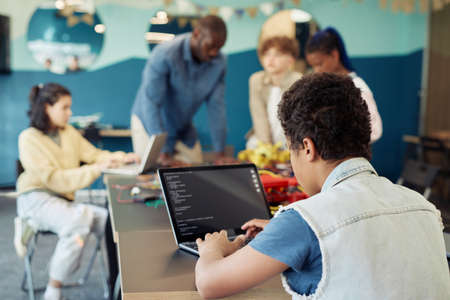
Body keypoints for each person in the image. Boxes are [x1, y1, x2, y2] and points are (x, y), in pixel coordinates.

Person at [194, 73, 450, 299]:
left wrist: (212, 249)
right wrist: (281, 230)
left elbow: (209, 284)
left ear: (307, 148)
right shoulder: (424, 207)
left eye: (289, 149)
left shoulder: (305, 221)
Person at [15, 83, 139, 300]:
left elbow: (94, 155)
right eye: (65, 107)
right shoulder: (28, 138)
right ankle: (54, 289)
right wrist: (94, 169)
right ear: (46, 107)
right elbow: (54, 179)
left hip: (63, 202)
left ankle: (118, 284)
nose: (70, 113)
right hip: (36, 198)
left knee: (112, 220)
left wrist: (121, 157)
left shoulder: (69, 132)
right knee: (77, 222)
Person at [131, 15, 228, 165]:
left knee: (196, 172)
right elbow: (151, 103)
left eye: (219, 48)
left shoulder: (219, 62)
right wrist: (162, 151)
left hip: (182, 126)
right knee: (152, 177)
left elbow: (217, 108)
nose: (214, 53)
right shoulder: (164, 54)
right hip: (149, 124)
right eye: (210, 46)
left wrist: (220, 153)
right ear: (196, 34)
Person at [305, 27, 383, 143]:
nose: (316, 71)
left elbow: (375, 131)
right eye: (313, 66)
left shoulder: (357, 86)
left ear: (334, 55)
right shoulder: (326, 87)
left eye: (319, 64)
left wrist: (341, 138)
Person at [246, 36, 301, 149]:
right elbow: (258, 115)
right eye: (267, 54)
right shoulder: (256, 80)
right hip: (264, 138)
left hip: (290, 137)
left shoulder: (298, 80)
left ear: (291, 59)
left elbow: (297, 120)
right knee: (252, 145)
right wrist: (266, 146)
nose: (270, 59)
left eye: (277, 55)